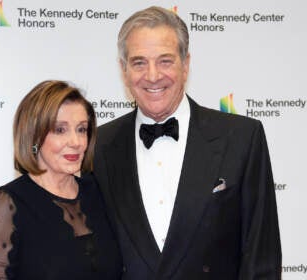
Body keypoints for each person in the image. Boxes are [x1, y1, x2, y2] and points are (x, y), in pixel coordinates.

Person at [93, 6, 282, 280]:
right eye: (139, 62)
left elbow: (261, 260)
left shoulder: (242, 138)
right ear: (124, 71)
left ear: (186, 64)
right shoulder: (97, 146)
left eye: (165, 61)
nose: (153, 75)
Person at [0, 80, 122, 279]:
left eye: (81, 129)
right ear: (34, 136)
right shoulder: (8, 203)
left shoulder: (98, 190)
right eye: (60, 130)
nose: (76, 142)